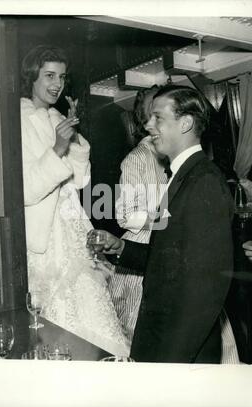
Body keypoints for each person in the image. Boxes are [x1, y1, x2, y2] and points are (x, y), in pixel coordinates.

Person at [88, 85, 238, 363]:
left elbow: (205, 287)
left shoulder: (203, 180)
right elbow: (172, 259)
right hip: (160, 340)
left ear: (186, 123)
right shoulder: (184, 175)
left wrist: (172, 362)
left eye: (158, 118)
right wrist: (122, 246)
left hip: (176, 351)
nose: (147, 125)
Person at [20, 45, 129, 356]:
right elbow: (26, 190)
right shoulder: (18, 120)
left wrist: (75, 139)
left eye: (62, 77)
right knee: (56, 316)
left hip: (72, 224)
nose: (57, 84)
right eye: (49, 75)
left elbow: (79, 180)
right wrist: (57, 147)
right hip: (46, 234)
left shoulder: (56, 117)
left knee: (89, 305)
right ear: (32, 76)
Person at [109, 86, 168, 343]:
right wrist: (165, 220)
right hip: (142, 252)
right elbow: (125, 216)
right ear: (144, 121)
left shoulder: (171, 155)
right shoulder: (137, 159)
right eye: (154, 112)